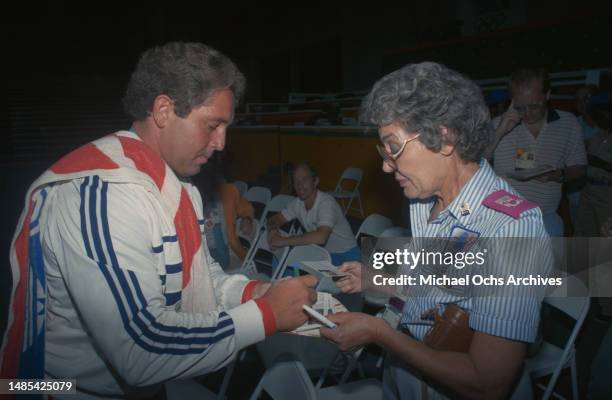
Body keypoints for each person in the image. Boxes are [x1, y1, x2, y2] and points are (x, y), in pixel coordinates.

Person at [1, 42, 316, 398]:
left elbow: (197, 274)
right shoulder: (101, 192)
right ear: (164, 110)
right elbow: (141, 349)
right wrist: (265, 315)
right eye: (212, 125)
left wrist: (252, 292)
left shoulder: (174, 184)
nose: (221, 142)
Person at [320, 62, 554, 399]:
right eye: (383, 151)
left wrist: (380, 333)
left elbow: (488, 383)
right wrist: (375, 280)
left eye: (394, 147)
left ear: (444, 137)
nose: (386, 165)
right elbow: (434, 286)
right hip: (406, 372)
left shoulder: (510, 229)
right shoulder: (425, 201)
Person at [486, 68, 587, 237]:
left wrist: (559, 175)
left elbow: (580, 169)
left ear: (547, 95)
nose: (527, 114)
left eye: (534, 106)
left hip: (546, 219)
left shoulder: (568, 123)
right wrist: (500, 131)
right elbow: (472, 165)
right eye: (520, 107)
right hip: (503, 220)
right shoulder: (498, 124)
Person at [266, 162, 359, 266]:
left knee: (306, 273)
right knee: (283, 259)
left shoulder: (326, 203)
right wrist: (273, 231)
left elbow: (321, 237)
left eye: (304, 179)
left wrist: (283, 241)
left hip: (346, 258)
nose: (299, 185)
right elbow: (275, 219)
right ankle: (282, 281)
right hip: (324, 254)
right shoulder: (298, 203)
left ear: (315, 181)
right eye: (296, 180)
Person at [192, 153, 255, 270]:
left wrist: (247, 219)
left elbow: (247, 208)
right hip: (200, 258)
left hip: (230, 253)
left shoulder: (229, 191)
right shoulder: (190, 194)